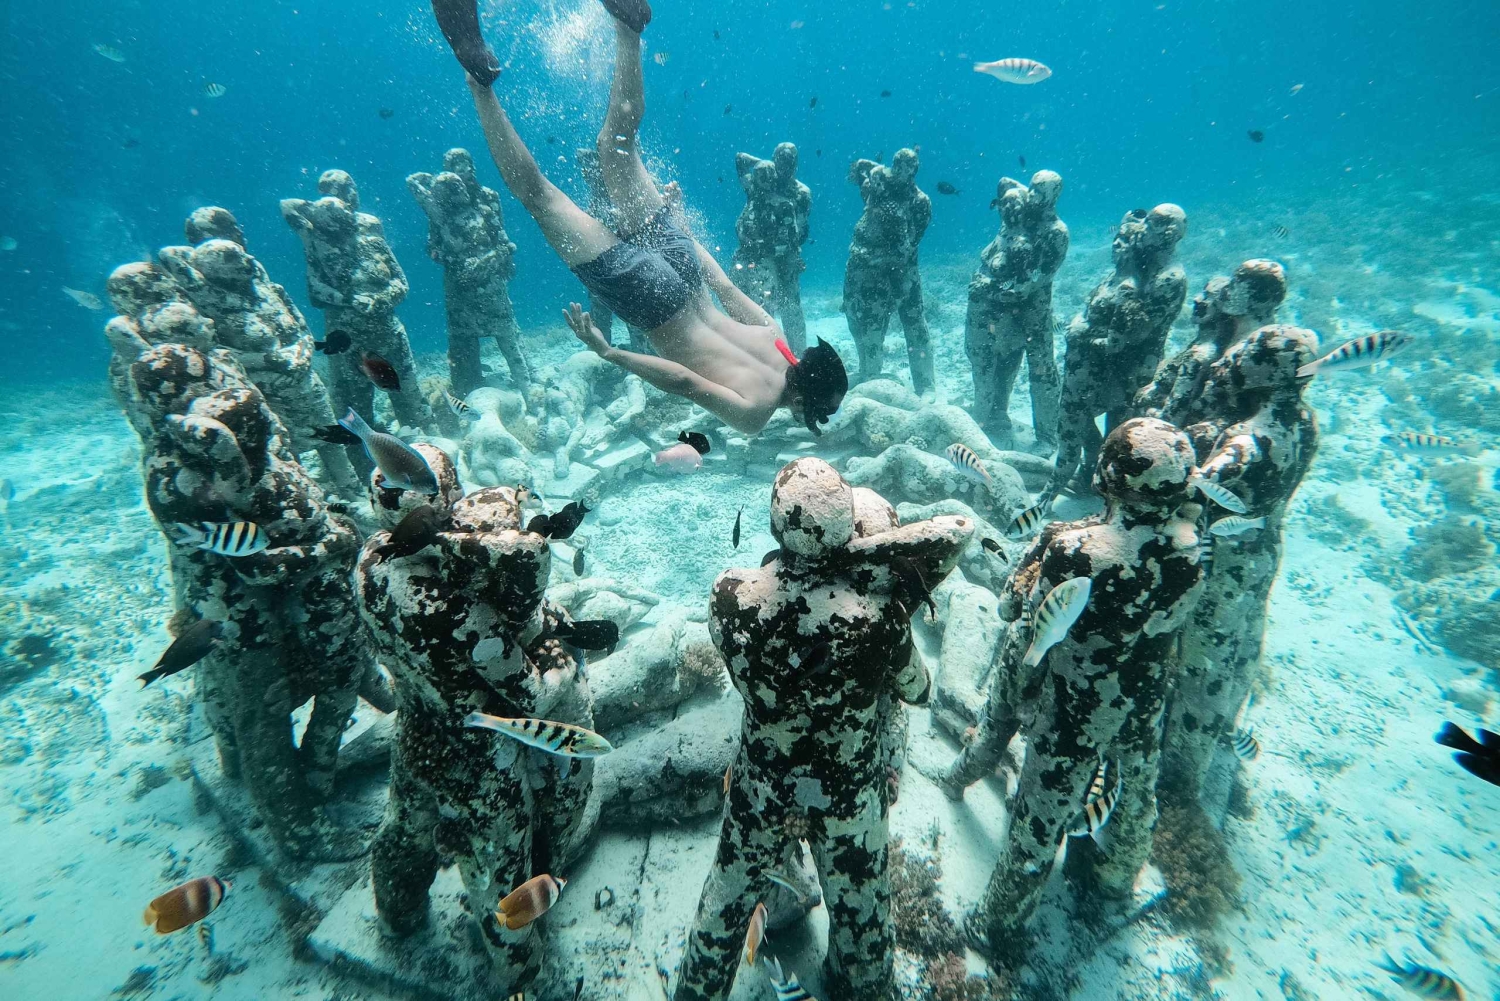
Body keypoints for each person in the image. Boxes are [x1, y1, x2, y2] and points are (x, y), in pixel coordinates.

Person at [430, 0, 847, 436]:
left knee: (617, 147)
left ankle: (628, 31)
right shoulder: (755, 413)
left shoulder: (777, 338)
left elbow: (723, 284)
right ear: (801, 400)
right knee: (541, 197)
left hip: (686, 269)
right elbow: (684, 381)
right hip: (654, 300)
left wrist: (680, 229)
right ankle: (480, 85)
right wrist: (610, 353)